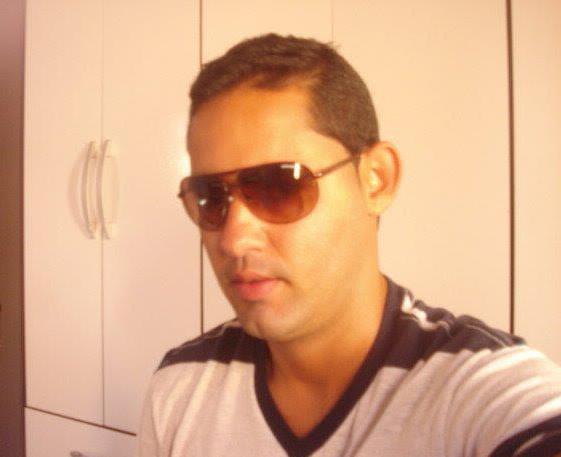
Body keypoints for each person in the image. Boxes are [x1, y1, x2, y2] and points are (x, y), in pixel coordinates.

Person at [137, 34, 561, 457]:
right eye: (210, 197)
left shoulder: (477, 391)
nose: (234, 239)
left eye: (278, 187)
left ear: (375, 179)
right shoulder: (180, 388)